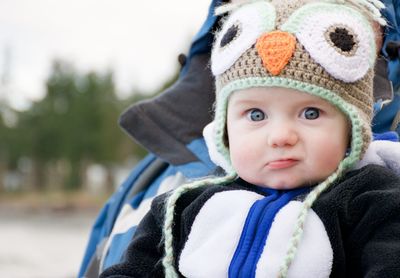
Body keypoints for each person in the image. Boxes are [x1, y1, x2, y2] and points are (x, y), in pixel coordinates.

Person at [78, 0, 400, 277]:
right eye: (257, 116)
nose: (281, 136)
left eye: (310, 114)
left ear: (355, 127)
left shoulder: (373, 201)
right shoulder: (181, 206)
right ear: (224, 129)